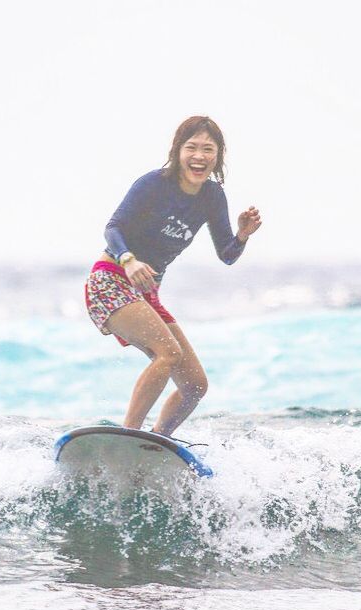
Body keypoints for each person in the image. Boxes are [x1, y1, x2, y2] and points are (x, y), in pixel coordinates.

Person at [84, 115, 262, 437]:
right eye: (191, 147)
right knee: (168, 353)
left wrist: (242, 235)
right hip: (110, 279)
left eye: (208, 149)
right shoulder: (153, 184)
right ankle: (130, 436)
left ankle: (158, 441)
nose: (199, 156)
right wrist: (129, 260)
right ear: (178, 151)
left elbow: (227, 255)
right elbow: (113, 227)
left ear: (218, 156)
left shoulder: (212, 196)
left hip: (146, 293)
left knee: (195, 385)